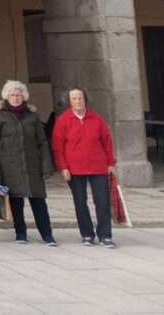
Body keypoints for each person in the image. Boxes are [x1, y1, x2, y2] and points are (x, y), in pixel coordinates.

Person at [0, 80, 57, 246]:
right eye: (12, 95)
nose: (16, 97)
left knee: (39, 201)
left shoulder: (32, 116)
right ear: (7, 97)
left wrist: (46, 164)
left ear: (24, 97)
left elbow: (42, 142)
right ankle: (20, 233)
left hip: (32, 165)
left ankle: (47, 234)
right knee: (16, 202)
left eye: (19, 95)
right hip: (9, 165)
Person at [51, 87, 117, 248]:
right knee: (80, 202)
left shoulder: (96, 119)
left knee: (102, 202)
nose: (78, 101)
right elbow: (57, 146)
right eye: (74, 98)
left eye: (80, 98)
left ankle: (105, 235)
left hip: (98, 166)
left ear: (85, 99)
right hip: (74, 168)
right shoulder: (63, 120)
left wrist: (111, 163)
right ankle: (87, 234)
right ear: (70, 101)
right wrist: (63, 168)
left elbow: (107, 142)